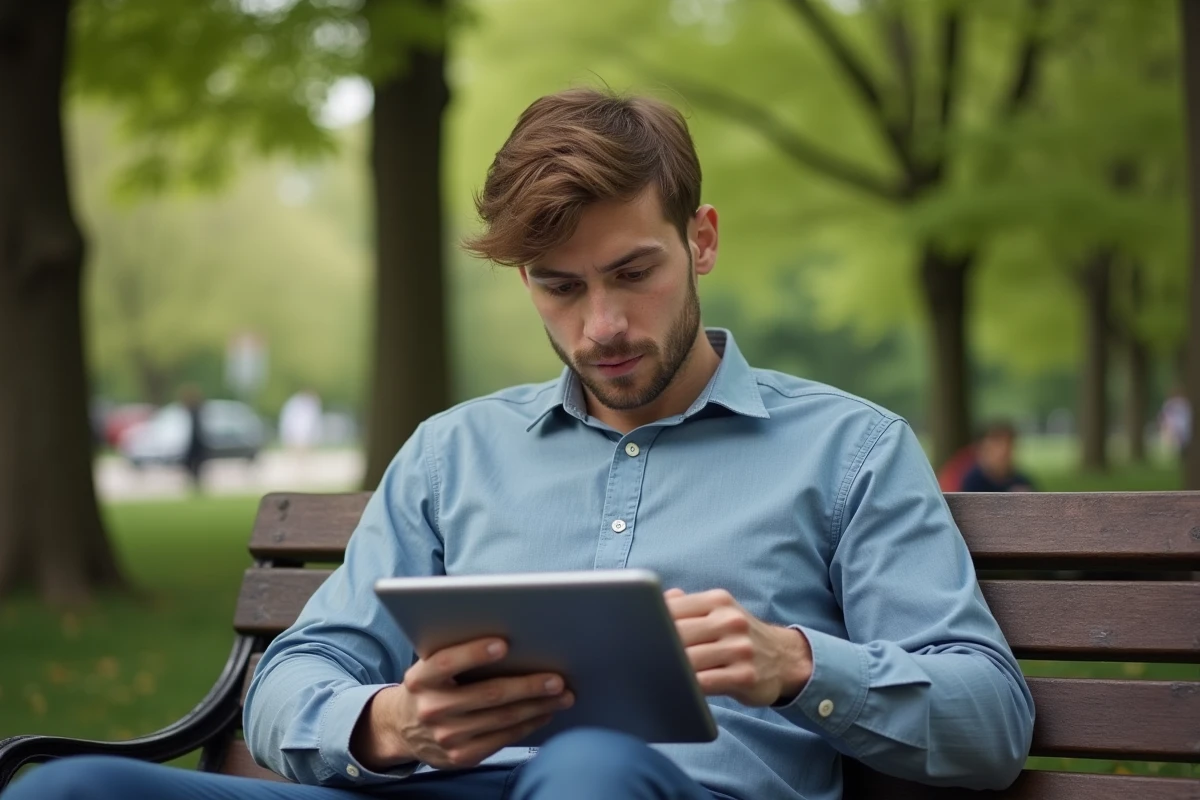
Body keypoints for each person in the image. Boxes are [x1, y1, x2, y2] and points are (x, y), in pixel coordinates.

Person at [3, 89, 1034, 800]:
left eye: (634, 271)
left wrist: (796, 660)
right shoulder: (453, 454)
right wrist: (384, 723)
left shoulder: (848, 449)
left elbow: (989, 717)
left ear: (702, 239)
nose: (604, 327)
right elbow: (293, 673)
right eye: (561, 286)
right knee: (64, 786)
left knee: (590, 762)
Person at [959, 421, 1035, 493]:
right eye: (997, 446)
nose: (1003, 452)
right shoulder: (973, 481)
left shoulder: (1020, 481)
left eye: (1008, 446)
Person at [179, 384, 208, 491]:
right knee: (193, 465)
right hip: (194, 443)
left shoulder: (195, 412)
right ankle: (195, 482)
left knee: (195, 465)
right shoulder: (196, 412)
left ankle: (196, 482)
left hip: (196, 443)